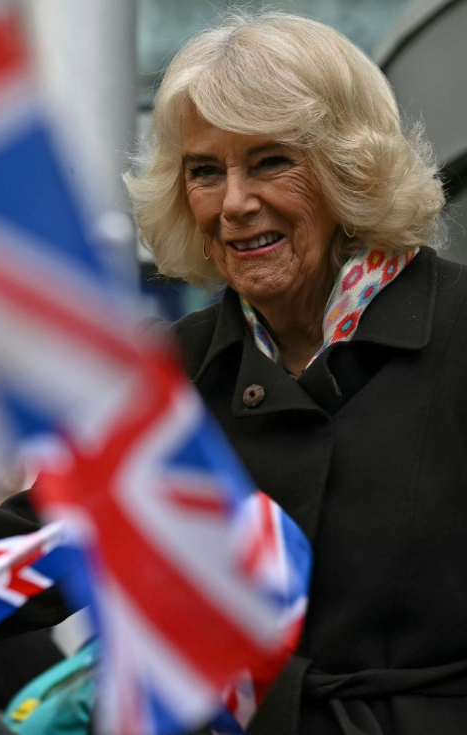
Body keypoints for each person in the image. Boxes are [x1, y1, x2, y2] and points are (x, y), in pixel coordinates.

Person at [124, 11, 464, 735]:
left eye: (271, 161)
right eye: (205, 171)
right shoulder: (173, 369)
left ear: (350, 166)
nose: (235, 202)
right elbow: (38, 542)